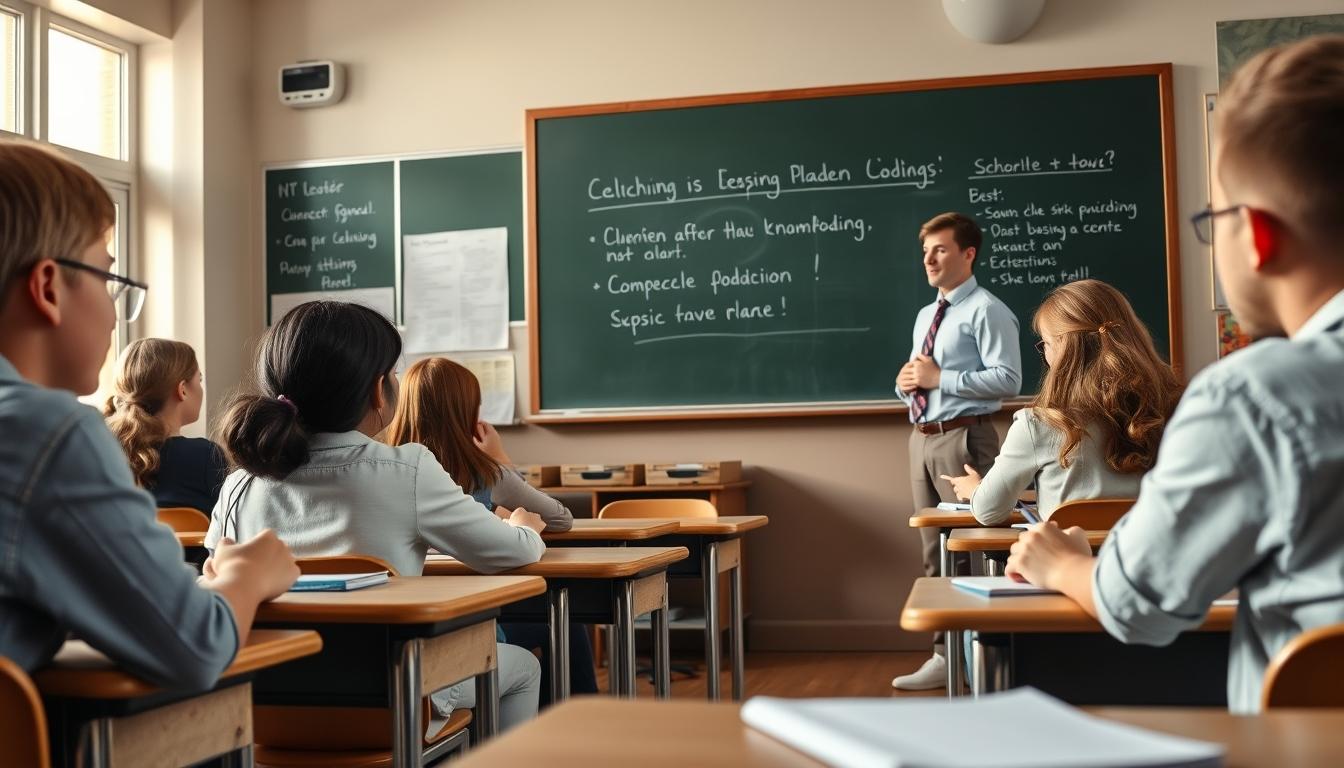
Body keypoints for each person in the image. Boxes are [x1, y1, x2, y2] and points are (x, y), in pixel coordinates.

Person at [1006, 35, 1344, 713]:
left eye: (1213, 220)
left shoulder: (1254, 396)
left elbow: (1136, 603)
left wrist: (1064, 564)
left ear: (1257, 235)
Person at [0, 139, 297, 689]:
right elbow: (195, 643)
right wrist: (247, 575)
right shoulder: (46, 433)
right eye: (107, 279)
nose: (115, 315)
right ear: (48, 288)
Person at [206, 300, 548, 729]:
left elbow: (215, 577)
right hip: (393, 704)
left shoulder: (240, 484)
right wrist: (523, 528)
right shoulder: (407, 469)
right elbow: (511, 553)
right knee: (524, 667)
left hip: (269, 712)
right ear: (377, 390)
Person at [386, 356, 593, 705]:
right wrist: (501, 461)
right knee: (563, 624)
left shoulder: (384, 471)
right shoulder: (484, 474)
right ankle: (571, 720)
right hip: (472, 623)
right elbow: (560, 519)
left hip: (408, 629)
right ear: (468, 413)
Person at [892, 211, 1022, 690]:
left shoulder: (987, 309)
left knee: (977, 547)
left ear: (968, 254)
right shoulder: (927, 315)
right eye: (925, 251)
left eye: (940, 249)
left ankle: (989, 657)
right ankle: (946, 657)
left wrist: (939, 378)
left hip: (966, 438)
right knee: (935, 551)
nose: (929, 259)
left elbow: (1009, 379)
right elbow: (921, 378)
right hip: (922, 438)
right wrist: (907, 383)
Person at [941, 279, 1182, 524]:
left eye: (1045, 344)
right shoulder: (1173, 411)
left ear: (1065, 350)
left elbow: (988, 512)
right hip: (1151, 548)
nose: (1045, 353)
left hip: (1068, 549)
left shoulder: (1037, 424)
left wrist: (974, 489)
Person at [104, 338, 228, 513]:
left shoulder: (102, 452)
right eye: (199, 380)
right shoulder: (206, 456)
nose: (201, 388)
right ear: (182, 390)